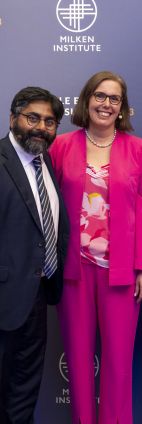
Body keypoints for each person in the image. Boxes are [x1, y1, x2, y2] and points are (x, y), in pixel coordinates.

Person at [49, 71, 142, 424]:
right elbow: (47, 204)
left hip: (121, 272)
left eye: (114, 99)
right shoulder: (61, 146)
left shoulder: (138, 148)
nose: (106, 104)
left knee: (117, 365)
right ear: (87, 100)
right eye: (100, 96)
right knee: (79, 362)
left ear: (123, 107)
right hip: (72, 272)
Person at [0, 87, 69, 423]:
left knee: (24, 391)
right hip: (4, 299)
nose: (42, 127)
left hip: (38, 296)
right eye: (33, 118)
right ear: (13, 118)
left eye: (50, 122)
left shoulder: (45, 164)